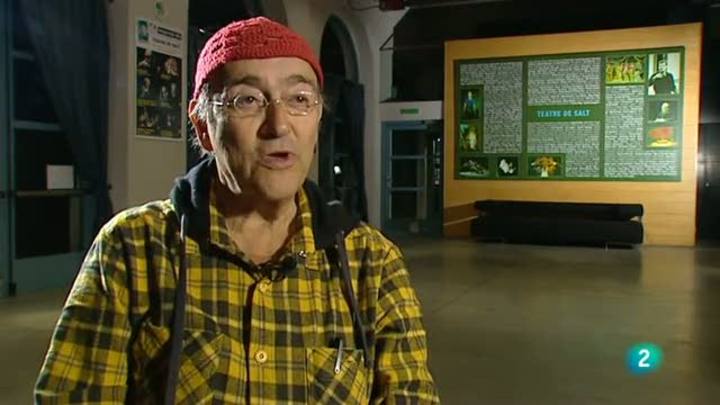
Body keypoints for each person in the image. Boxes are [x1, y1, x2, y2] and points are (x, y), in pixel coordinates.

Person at [35, 17, 438, 404]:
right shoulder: (134, 248)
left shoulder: (371, 262)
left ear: (317, 120)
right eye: (247, 100)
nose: (278, 125)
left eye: (299, 99)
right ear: (203, 127)